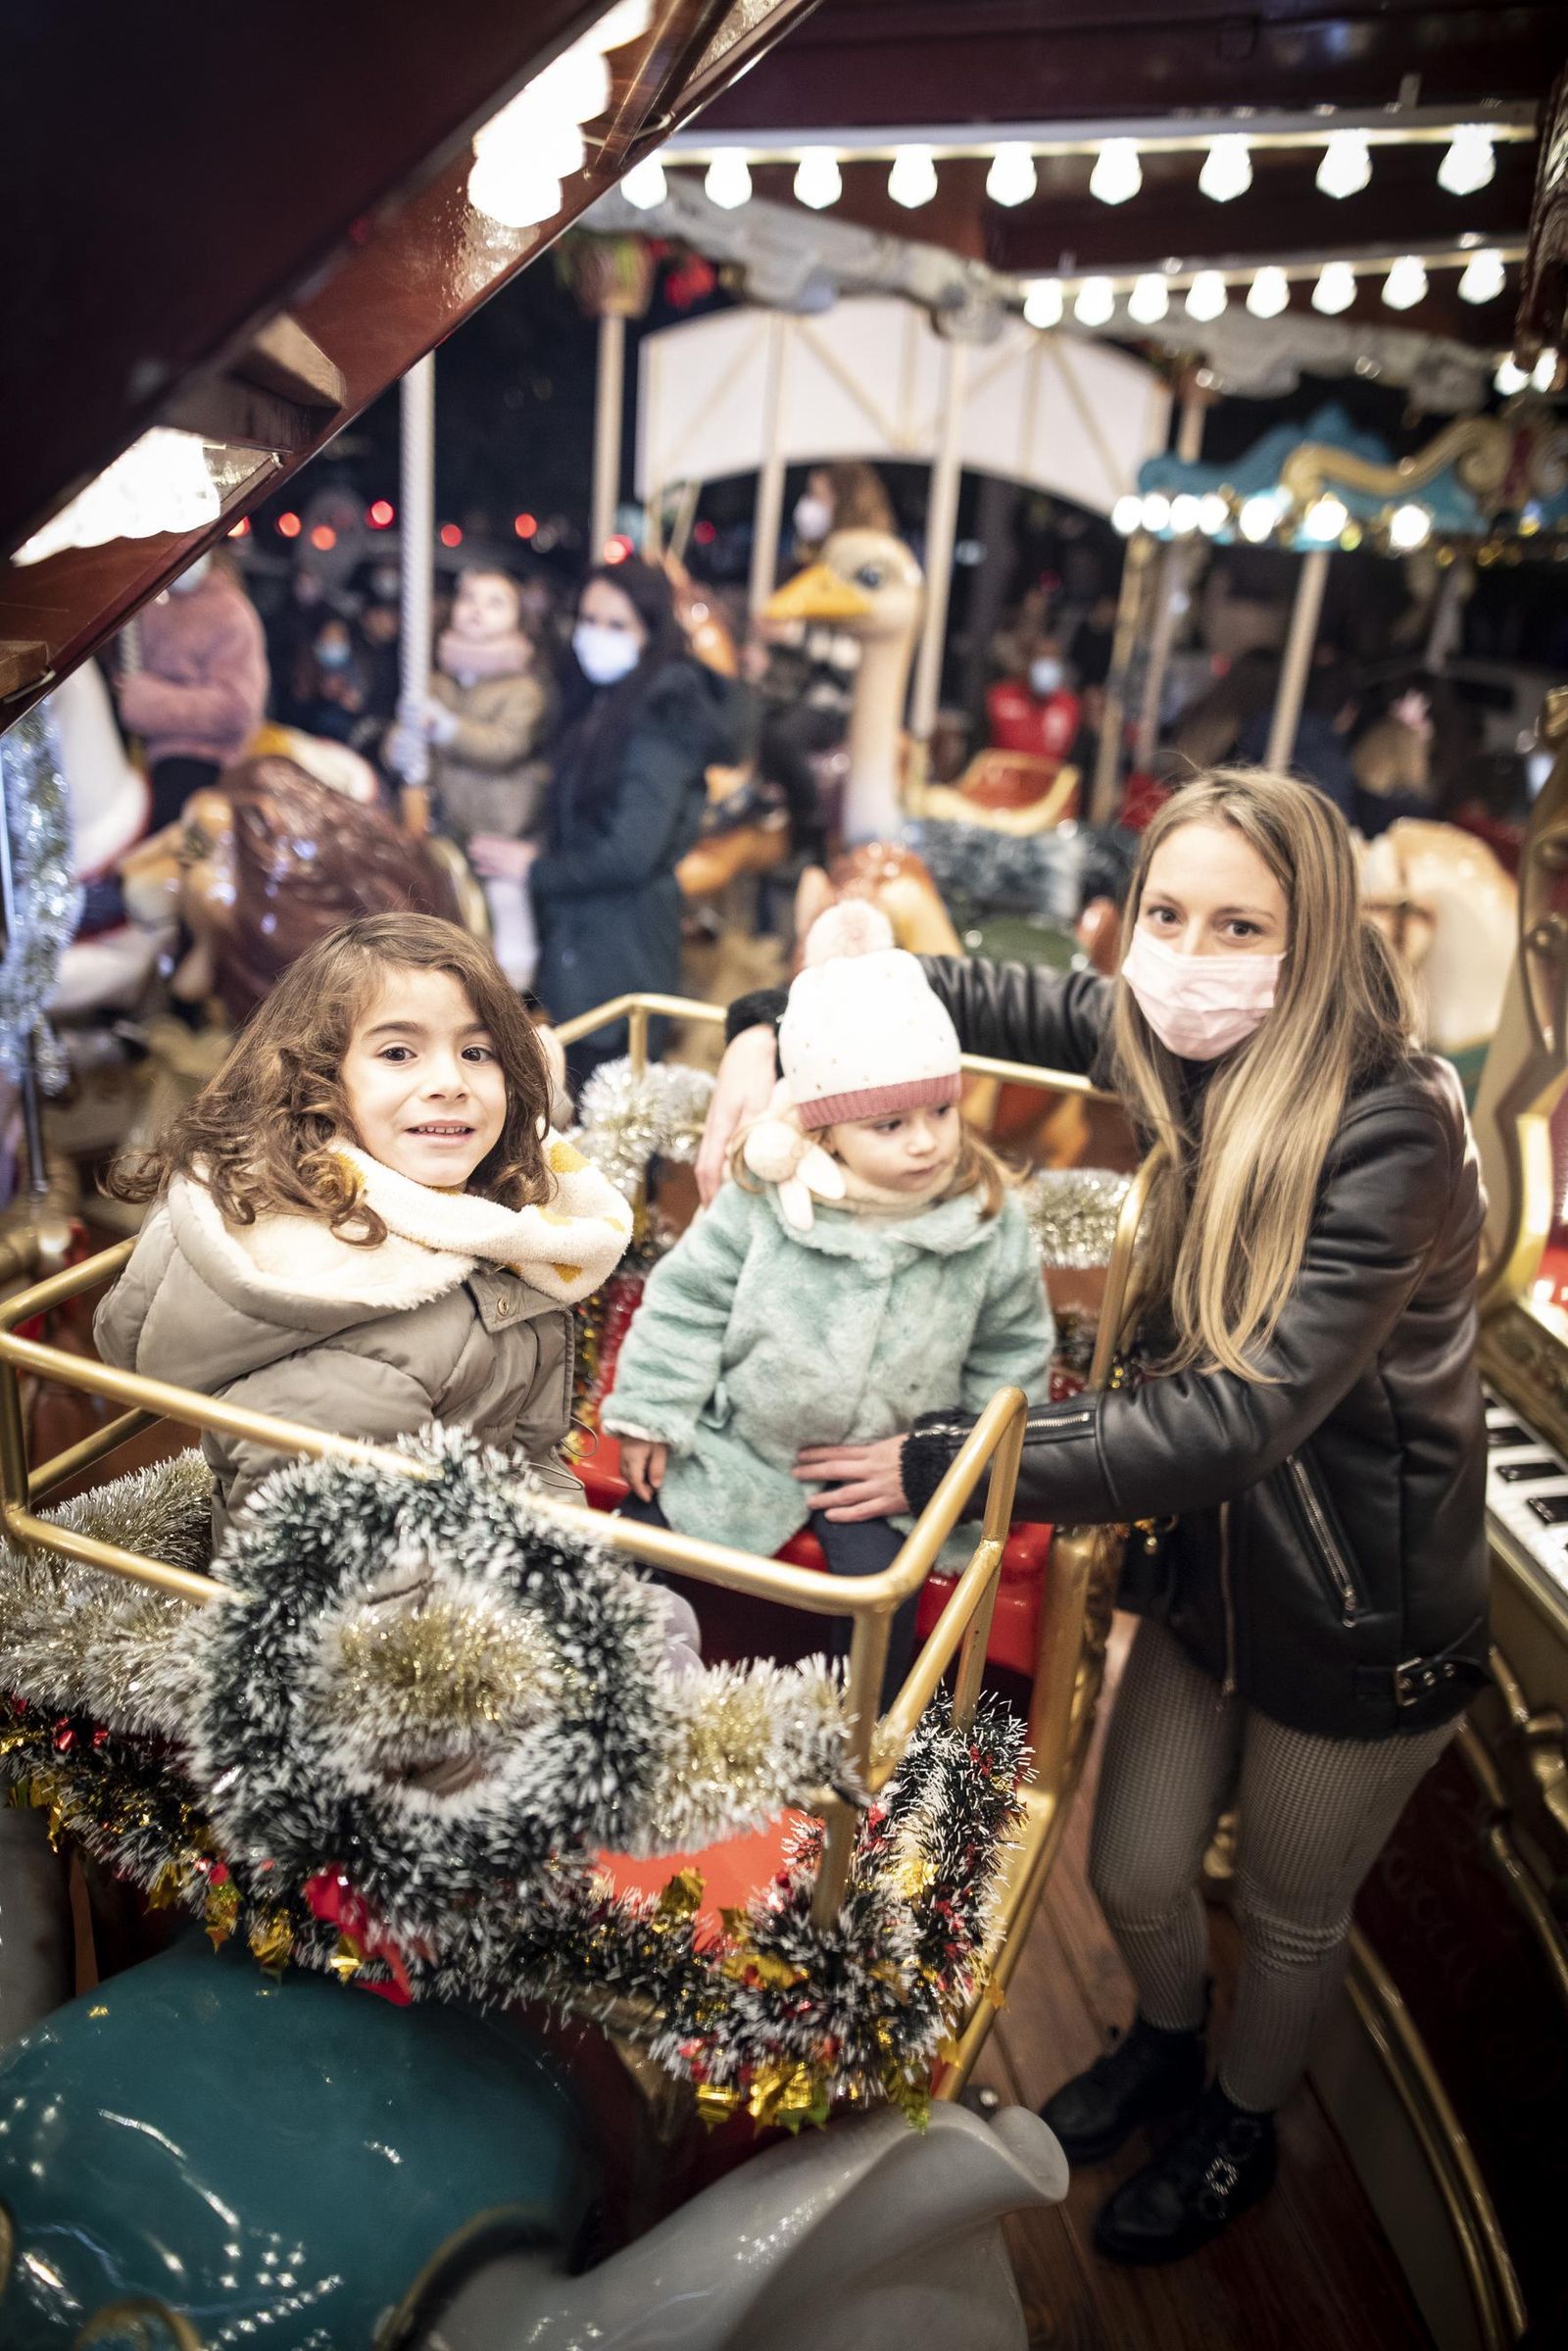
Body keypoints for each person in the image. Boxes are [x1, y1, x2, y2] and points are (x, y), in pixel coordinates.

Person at [697, 768, 1488, 2263]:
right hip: (1208, 1572)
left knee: (1291, 1907)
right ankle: (1167, 2045)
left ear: (1315, 933)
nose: (1187, 954)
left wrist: (948, 1454)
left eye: (1239, 923)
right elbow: (935, 987)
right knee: (1130, 1869)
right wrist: (756, 1023)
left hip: (1355, 1606)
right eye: (1166, 913)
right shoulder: (1169, 1032)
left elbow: (1239, 1416)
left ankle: (1241, 2122)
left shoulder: (1392, 1125)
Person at [604, 903, 1052, 1703]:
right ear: (825, 1131)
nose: (926, 1140)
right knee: (638, 1539)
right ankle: (616, 1696)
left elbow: (1012, 1351)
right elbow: (688, 1299)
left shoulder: (984, 1217)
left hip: (885, 1470)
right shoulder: (767, 1195)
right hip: (746, 1444)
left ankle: (856, 1735)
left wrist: (960, 1467)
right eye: (890, 1123)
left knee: (882, 1596)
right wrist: (650, 1409)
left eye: (941, 1111)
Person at [94, 913, 634, 1543]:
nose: (450, 1083)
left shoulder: (474, 1209)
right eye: (397, 1053)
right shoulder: (337, 1313)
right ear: (317, 1079)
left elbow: (526, 1457)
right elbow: (353, 1579)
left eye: (476, 1052)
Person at [469, 557, 747, 1083]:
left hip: (618, 962)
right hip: (583, 953)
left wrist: (536, 869)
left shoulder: (661, 716)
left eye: (617, 624)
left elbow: (631, 852)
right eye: (589, 619)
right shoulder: (602, 703)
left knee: (606, 1105)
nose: (597, 635)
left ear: (651, 632)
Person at [115, 553, 270, 829]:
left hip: (203, 758)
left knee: (175, 825)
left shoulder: (231, 613)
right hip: (148, 750)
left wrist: (146, 701)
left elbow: (237, 708)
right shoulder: (151, 605)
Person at [986, 635, 1082, 772]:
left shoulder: (1069, 706)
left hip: (1048, 780)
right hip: (1004, 777)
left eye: (1052, 660)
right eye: (1041, 659)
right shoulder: (999, 697)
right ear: (1028, 661)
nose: (1047, 667)